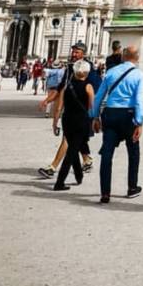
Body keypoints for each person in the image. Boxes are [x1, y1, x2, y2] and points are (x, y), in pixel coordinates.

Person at [90, 44, 143, 204]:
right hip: (128, 115)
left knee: (107, 154)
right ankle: (132, 187)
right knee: (133, 151)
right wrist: (139, 122)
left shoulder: (111, 72)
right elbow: (140, 100)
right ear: (137, 58)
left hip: (111, 114)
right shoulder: (138, 74)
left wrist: (94, 116)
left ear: (123, 56)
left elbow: (99, 96)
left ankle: (105, 192)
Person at [51, 60, 95, 191]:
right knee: (71, 152)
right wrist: (95, 121)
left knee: (73, 147)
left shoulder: (66, 86)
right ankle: (59, 182)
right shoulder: (88, 86)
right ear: (87, 72)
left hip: (67, 120)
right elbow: (92, 107)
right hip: (81, 121)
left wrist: (55, 123)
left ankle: (78, 175)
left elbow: (59, 107)